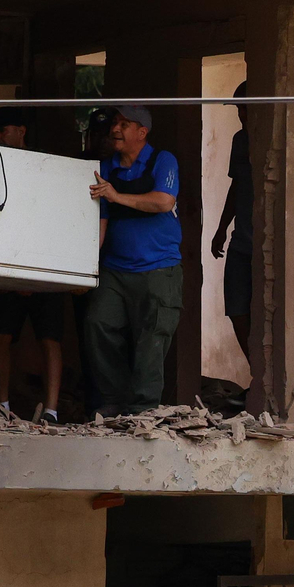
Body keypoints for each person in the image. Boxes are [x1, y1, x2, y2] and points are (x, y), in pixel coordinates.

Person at [85, 104, 183, 417]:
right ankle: (115, 400)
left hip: (159, 267)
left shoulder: (162, 160)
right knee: (97, 324)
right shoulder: (106, 166)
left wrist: (117, 197)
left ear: (142, 132)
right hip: (115, 268)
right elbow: (100, 218)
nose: (116, 129)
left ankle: (144, 410)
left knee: (152, 337)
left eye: (125, 124)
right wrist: (87, 267)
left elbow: (164, 201)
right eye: (115, 123)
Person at [0, 107, 67, 422]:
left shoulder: (46, 165)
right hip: (5, 268)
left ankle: (52, 411)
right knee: (0, 336)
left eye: (2, 130)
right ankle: (1, 407)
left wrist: (35, 275)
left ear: (22, 130)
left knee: (50, 338)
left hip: (44, 268)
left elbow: (55, 220)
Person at [208, 82, 253, 360]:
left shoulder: (271, 140)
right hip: (240, 241)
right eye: (239, 109)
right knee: (236, 309)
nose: (242, 115)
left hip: (262, 244)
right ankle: (257, 373)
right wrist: (221, 229)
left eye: (246, 108)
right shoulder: (240, 140)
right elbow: (236, 187)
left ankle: (262, 378)